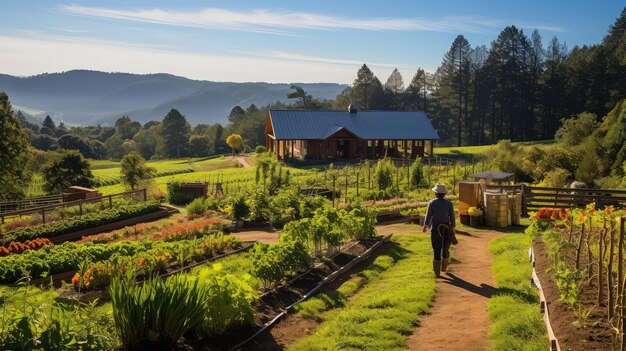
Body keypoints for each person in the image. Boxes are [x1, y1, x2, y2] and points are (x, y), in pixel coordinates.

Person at [422, 183, 457, 277]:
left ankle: (437, 273)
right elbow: (452, 217)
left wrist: (425, 226)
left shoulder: (432, 202)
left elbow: (428, 215)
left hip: (435, 229)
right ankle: (444, 268)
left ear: (436, 194)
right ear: (445, 194)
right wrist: (453, 228)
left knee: (436, 249)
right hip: (446, 229)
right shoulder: (449, 203)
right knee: (445, 248)